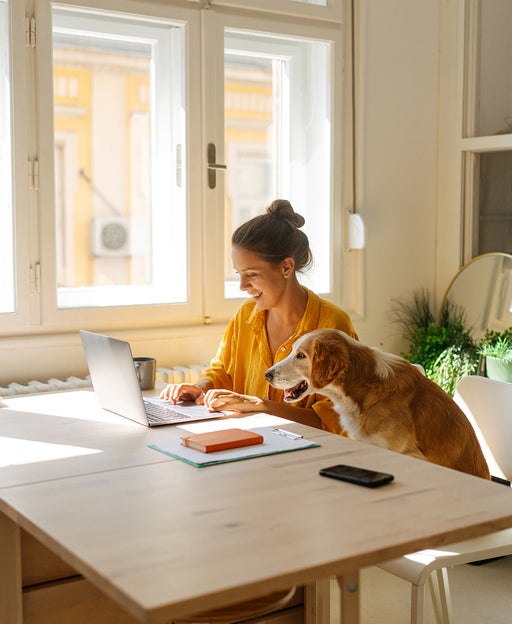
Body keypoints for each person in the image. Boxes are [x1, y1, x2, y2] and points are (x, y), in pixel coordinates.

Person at [160, 199, 359, 434]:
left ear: (286, 267)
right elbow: (223, 370)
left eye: (251, 274)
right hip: (250, 441)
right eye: (239, 274)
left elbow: (335, 421)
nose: (243, 286)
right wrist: (199, 388)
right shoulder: (247, 314)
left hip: (308, 452)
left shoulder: (332, 325)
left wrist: (262, 407)